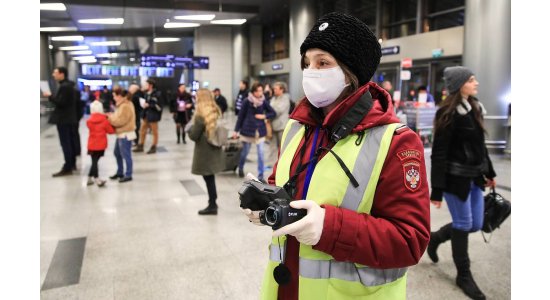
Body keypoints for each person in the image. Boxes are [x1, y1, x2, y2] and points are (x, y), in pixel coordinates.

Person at [241, 12, 429, 299]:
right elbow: (289, 184)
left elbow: (410, 240)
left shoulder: (397, 142)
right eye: (307, 63)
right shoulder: (297, 126)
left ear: (351, 74)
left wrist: (329, 228)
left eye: (323, 63)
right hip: (286, 287)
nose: (310, 71)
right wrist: (267, 201)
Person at [428, 66, 496, 300]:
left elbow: (480, 146)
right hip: (454, 179)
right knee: (464, 223)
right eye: (471, 79)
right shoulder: (447, 112)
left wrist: (490, 171)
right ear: (459, 85)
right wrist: (436, 190)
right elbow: (438, 153)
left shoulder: (475, 107)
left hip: (475, 177)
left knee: (476, 223)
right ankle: (463, 276)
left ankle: (435, 238)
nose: (476, 83)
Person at [188, 89, 224, 215]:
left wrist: (189, 129)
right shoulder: (216, 111)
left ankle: (212, 204)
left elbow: (194, 135)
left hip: (204, 153)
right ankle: (213, 202)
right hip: (214, 149)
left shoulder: (200, 115)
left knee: (208, 178)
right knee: (210, 177)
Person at [232, 82, 276, 182]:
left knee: (261, 154)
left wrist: (264, 116)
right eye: (258, 91)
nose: (260, 93)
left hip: (259, 131)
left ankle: (261, 176)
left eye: (261, 90)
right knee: (245, 152)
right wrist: (236, 130)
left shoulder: (263, 101)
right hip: (247, 130)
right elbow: (241, 117)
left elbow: (273, 112)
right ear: (253, 91)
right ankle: (241, 167)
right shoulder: (247, 101)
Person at [43, 66, 79, 177]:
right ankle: (72, 164)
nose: (53, 75)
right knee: (70, 142)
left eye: (55, 73)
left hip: (64, 119)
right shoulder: (70, 86)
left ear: (62, 74)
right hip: (70, 118)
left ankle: (68, 166)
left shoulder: (65, 87)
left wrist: (50, 96)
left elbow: (61, 103)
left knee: (66, 143)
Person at [107, 86, 137, 183]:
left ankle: (128, 174)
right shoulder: (122, 105)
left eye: (114, 96)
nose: (114, 98)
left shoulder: (125, 106)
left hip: (125, 134)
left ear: (120, 96)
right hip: (121, 133)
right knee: (117, 153)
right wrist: (111, 116)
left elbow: (121, 120)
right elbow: (117, 117)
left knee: (126, 155)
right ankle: (120, 172)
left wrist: (110, 119)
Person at [86, 100, 114, 186]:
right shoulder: (104, 120)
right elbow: (111, 131)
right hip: (101, 144)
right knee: (95, 161)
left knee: (94, 161)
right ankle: (97, 179)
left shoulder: (89, 121)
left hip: (91, 144)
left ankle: (90, 178)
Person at [134, 79, 162, 154]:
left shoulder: (157, 94)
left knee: (154, 131)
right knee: (142, 130)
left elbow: (158, 105)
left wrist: (149, 105)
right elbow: (138, 97)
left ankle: (154, 146)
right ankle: (141, 145)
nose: (145, 86)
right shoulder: (146, 93)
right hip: (146, 114)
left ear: (150, 85)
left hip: (153, 115)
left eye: (146, 84)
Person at [266, 81, 290, 166]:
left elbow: (278, 111)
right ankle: (271, 164)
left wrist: (268, 114)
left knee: (282, 146)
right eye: (274, 89)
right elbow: (269, 108)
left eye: (276, 89)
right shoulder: (273, 98)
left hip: (281, 126)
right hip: (272, 125)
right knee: (272, 146)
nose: (274, 90)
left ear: (282, 90)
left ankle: (283, 164)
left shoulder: (285, 99)